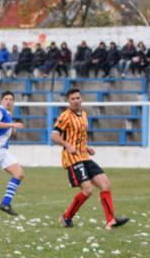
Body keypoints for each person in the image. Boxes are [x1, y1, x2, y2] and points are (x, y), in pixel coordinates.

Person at [52, 89, 130, 230]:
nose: (75, 101)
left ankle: (110, 220)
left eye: (78, 98)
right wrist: (68, 146)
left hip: (84, 156)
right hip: (72, 158)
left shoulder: (84, 114)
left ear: (82, 99)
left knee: (105, 184)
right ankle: (66, 217)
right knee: (87, 190)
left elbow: (78, 136)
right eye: (72, 99)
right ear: (68, 101)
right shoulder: (65, 116)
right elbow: (54, 136)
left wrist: (86, 147)